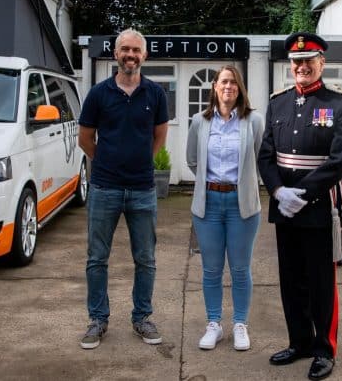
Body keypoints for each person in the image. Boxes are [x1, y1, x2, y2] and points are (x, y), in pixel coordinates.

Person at [257, 32, 342, 380]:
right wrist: (278, 190)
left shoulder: (341, 103)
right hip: (285, 208)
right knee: (290, 280)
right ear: (291, 65)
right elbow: (266, 154)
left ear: (321, 63)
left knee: (320, 282)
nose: (302, 66)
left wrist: (303, 193)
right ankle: (299, 342)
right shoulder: (278, 103)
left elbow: (340, 159)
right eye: (297, 61)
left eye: (309, 60)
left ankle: (324, 350)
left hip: (317, 207)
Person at [77, 28, 169, 350]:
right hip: (104, 188)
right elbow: (85, 138)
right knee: (96, 258)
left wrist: (141, 160)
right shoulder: (98, 94)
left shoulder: (155, 95)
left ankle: (142, 317)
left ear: (144, 56)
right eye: (125, 49)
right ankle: (97, 320)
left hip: (143, 189)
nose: (130, 55)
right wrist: (105, 162)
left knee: (145, 258)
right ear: (116, 54)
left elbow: (160, 137)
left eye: (136, 50)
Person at [185, 66, 264, 352]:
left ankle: (240, 324)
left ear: (239, 88)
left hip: (241, 204)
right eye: (223, 81)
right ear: (215, 87)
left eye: (233, 82)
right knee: (211, 270)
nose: (228, 86)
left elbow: (258, 159)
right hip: (208, 205)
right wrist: (212, 184)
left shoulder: (253, 121)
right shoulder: (199, 121)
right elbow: (193, 160)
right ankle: (214, 325)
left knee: (241, 269)